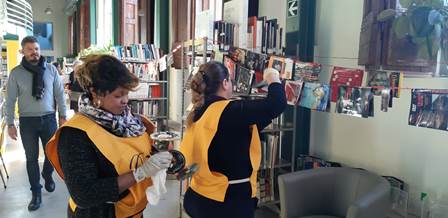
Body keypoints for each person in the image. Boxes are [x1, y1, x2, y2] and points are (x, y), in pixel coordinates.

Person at [45, 55, 173, 218]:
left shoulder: (131, 121)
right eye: (118, 95)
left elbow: (136, 153)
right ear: (96, 93)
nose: (125, 101)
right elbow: (84, 194)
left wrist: (166, 158)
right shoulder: (75, 134)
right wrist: (139, 173)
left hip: (133, 212)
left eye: (127, 94)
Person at [179, 62, 286, 218]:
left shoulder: (199, 110)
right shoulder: (228, 110)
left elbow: (241, 130)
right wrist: (272, 77)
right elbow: (277, 104)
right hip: (225, 204)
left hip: (199, 197)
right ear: (224, 83)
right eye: (230, 81)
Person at [5, 36, 67, 211]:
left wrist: (63, 115)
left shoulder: (51, 70)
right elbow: (10, 100)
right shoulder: (16, 73)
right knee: (31, 158)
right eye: (30, 49)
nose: (35, 53)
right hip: (27, 122)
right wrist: (10, 123)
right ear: (23, 52)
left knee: (51, 154)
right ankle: (36, 193)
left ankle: (47, 173)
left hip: (49, 119)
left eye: (37, 49)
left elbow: (60, 95)